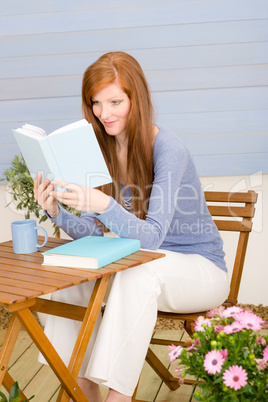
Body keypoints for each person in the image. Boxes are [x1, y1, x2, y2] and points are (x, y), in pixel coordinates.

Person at [34, 51, 229, 402]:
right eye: (96, 103)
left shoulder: (168, 148)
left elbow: (152, 235)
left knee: (136, 271)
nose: (104, 114)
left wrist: (105, 204)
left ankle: (118, 398)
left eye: (115, 102)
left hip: (200, 269)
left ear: (136, 99)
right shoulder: (104, 148)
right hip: (146, 264)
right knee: (71, 277)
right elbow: (94, 233)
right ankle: (82, 389)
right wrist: (56, 213)